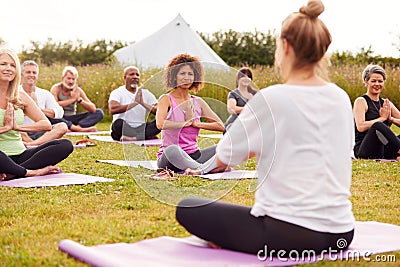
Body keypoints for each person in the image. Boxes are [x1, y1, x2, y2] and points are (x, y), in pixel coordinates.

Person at [176, 0, 355, 257]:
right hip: (342, 233)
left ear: (285, 46)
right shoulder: (340, 97)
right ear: (322, 49)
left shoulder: (272, 98)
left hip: (288, 234)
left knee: (188, 207)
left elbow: (225, 155)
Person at [0, 47, 73, 180]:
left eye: (12, 65)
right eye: (3, 64)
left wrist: (17, 127)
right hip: (1, 157)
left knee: (65, 145)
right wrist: (5, 128)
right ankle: (30, 172)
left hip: (20, 154)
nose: (9, 68)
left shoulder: (20, 96)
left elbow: (46, 124)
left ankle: (12, 173)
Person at [155, 53, 226, 177]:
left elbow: (220, 126)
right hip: (171, 157)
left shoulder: (198, 102)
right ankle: (206, 168)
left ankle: (200, 168)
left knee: (226, 147)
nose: (186, 78)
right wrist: (184, 123)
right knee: (172, 149)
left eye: (190, 74)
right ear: (174, 76)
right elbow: (160, 124)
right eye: (182, 73)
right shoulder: (166, 99)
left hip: (195, 155)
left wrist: (196, 123)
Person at [353, 64, 400, 160]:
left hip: (382, 149)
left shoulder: (386, 103)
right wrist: (382, 118)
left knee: (380, 125)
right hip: (364, 149)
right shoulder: (361, 101)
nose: (377, 84)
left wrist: (391, 119)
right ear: (366, 82)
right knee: (378, 125)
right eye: (373, 81)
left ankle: (397, 153)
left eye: (380, 81)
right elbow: (360, 127)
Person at [19, 60, 68, 146]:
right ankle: (35, 144)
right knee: (14, 129)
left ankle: (32, 145)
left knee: (62, 126)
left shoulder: (44, 93)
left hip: (41, 132)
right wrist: (26, 110)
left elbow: (59, 112)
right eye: (28, 72)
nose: (31, 75)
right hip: (22, 131)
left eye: (34, 72)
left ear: (37, 76)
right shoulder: (15, 92)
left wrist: (36, 108)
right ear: (21, 75)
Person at [108, 66, 160, 141]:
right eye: (132, 74)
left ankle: (135, 138)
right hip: (124, 129)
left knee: (160, 121)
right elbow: (113, 109)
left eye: (137, 75)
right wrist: (134, 103)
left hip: (140, 128)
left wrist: (143, 103)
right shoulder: (117, 92)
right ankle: (145, 136)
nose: (135, 77)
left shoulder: (146, 93)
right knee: (117, 123)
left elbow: (158, 111)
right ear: (125, 77)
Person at [50, 66, 104, 132]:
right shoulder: (56, 88)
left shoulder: (78, 90)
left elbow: (93, 108)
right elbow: (54, 105)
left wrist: (79, 100)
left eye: (73, 79)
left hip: (73, 118)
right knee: (49, 115)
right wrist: (72, 100)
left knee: (99, 112)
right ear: (63, 78)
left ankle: (77, 127)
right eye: (69, 78)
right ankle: (78, 129)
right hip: (61, 118)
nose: (71, 81)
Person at [224, 67, 257, 133]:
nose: (246, 79)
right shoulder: (233, 94)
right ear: (238, 79)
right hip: (234, 125)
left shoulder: (255, 93)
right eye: (243, 76)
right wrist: (249, 108)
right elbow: (231, 109)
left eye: (248, 77)